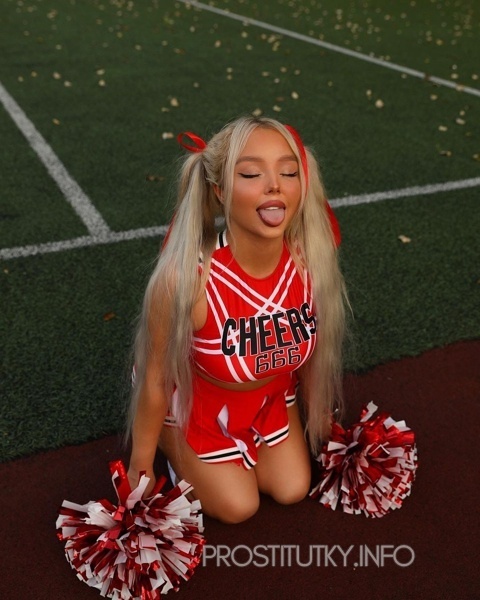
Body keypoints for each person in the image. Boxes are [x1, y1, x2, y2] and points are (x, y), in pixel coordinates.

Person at [126, 116, 347, 524]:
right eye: (250, 173)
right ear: (220, 191)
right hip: (201, 402)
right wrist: (140, 464)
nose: (274, 185)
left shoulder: (308, 263)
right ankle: (173, 441)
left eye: (288, 172)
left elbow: (311, 354)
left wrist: (324, 421)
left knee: (292, 488)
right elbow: (155, 378)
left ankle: (250, 444)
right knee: (238, 507)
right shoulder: (188, 280)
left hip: (269, 396)